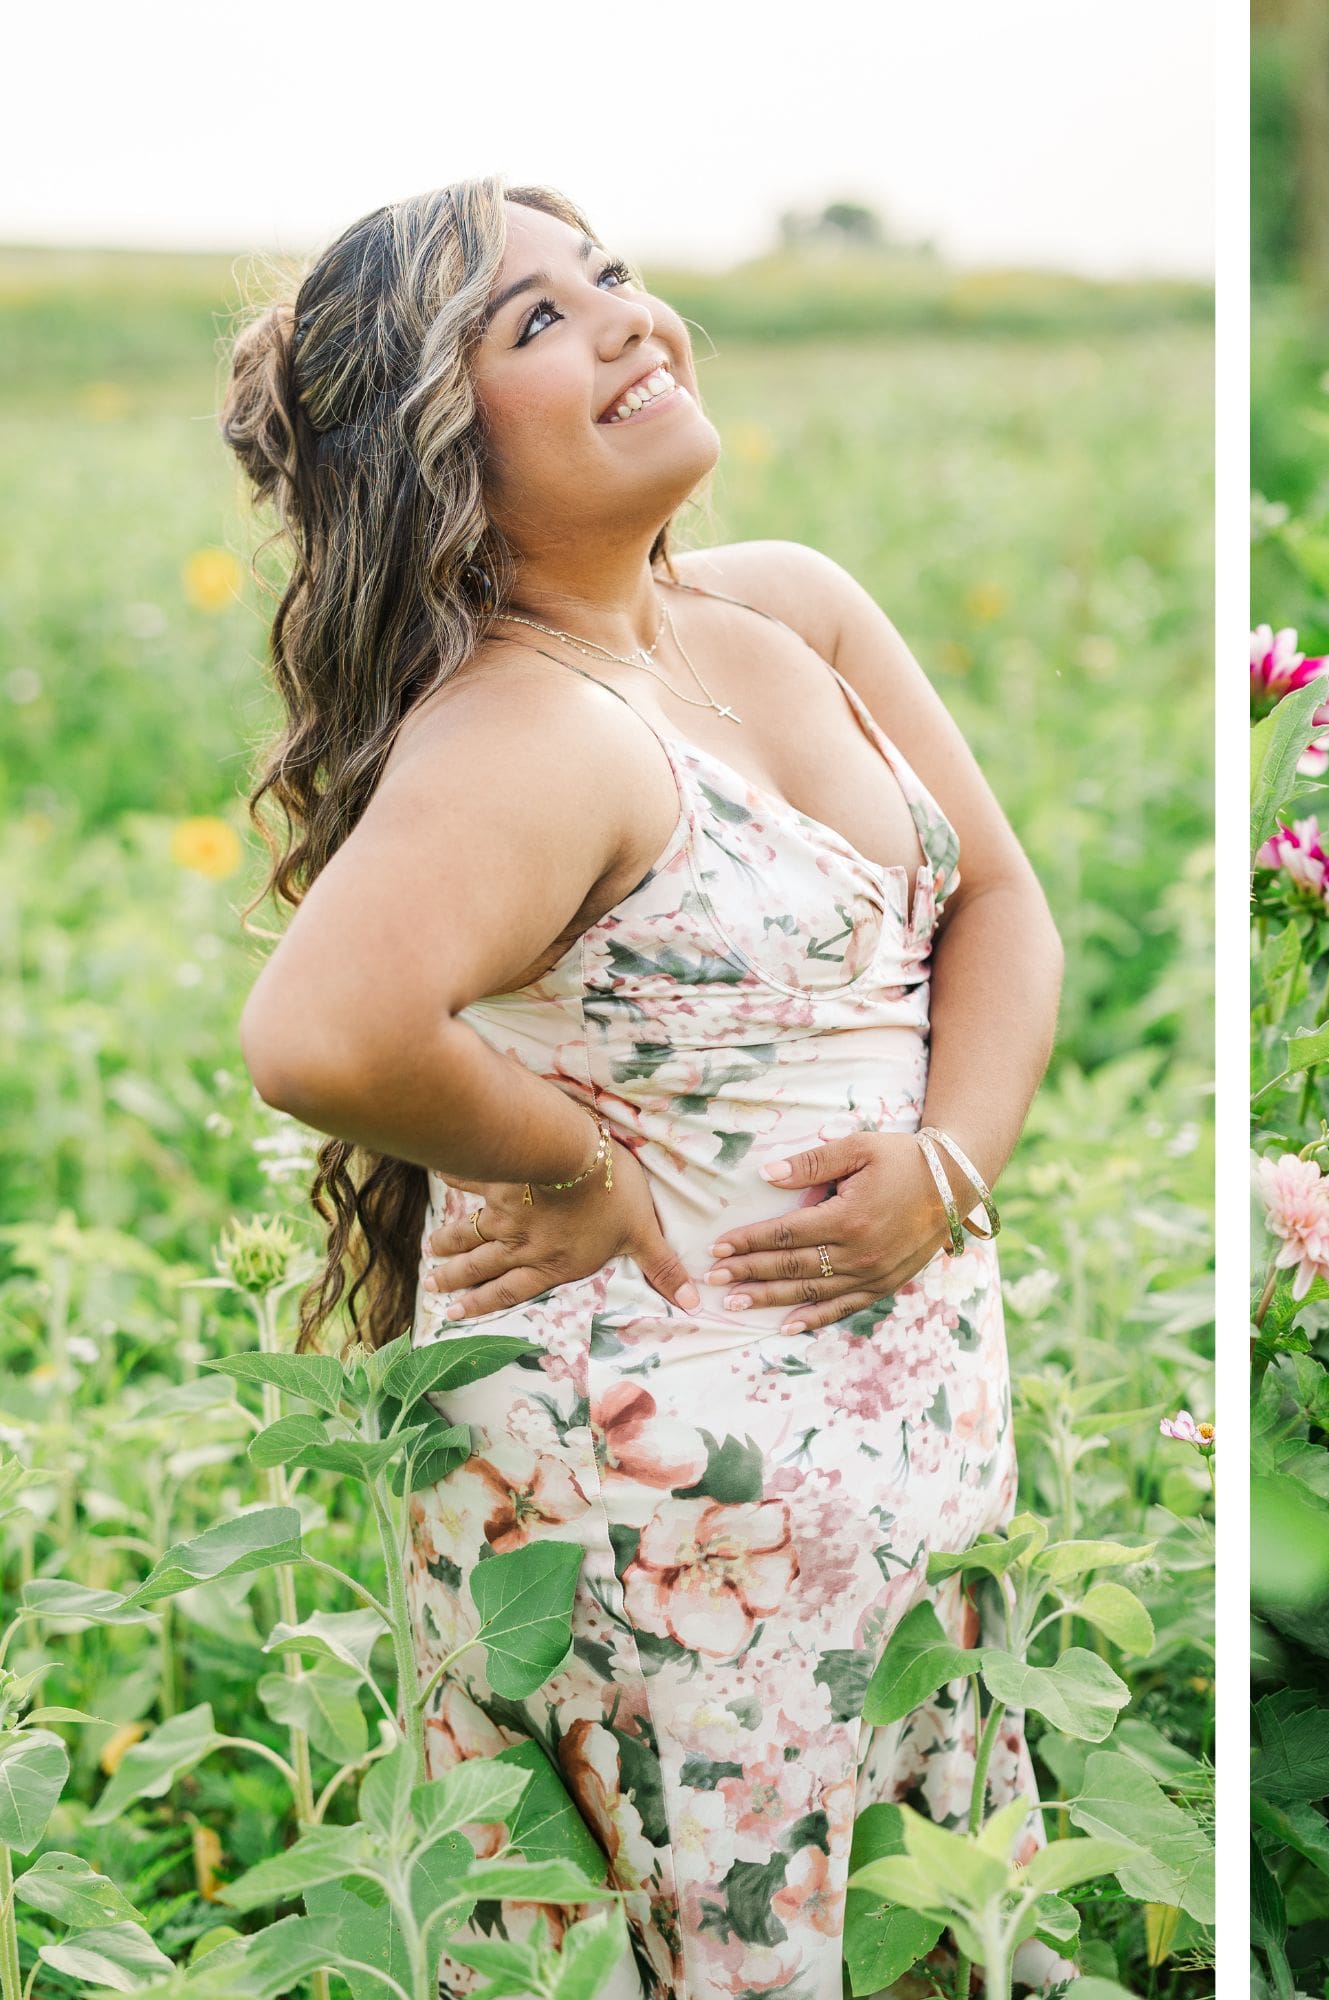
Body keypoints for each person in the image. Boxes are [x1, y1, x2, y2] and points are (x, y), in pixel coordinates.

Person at [223, 178, 1068, 2000]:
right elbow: (321, 1034)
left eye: (606, 274)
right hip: (670, 1510)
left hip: (904, 1440)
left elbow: (999, 904)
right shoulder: (528, 729)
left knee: (924, 1922)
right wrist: (575, 1167)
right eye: (533, 321)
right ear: (436, 457)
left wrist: (952, 1159)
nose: (623, 316)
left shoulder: (790, 611)